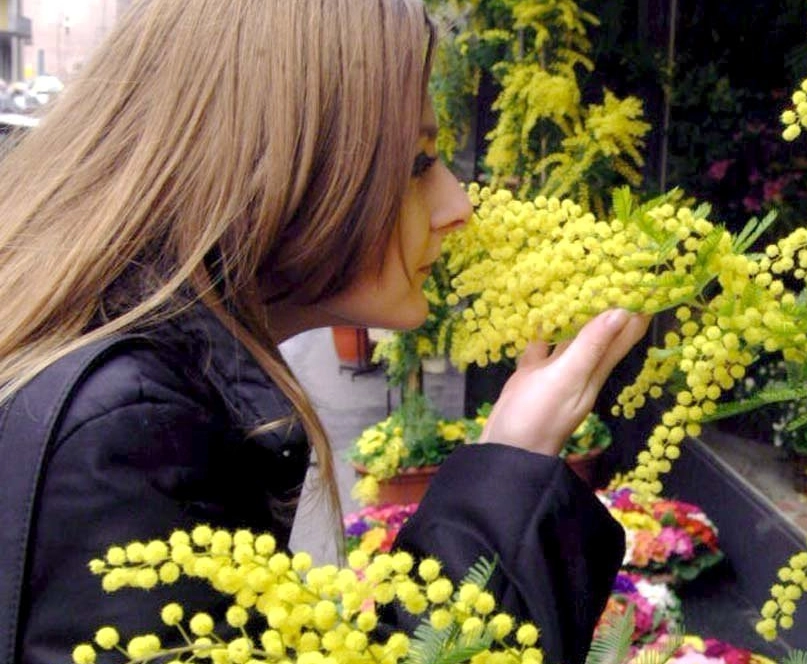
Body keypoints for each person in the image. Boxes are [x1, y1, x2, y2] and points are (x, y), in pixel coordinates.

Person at [0, 1, 649, 663]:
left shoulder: (114, 394)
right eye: (417, 165)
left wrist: (518, 444)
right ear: (279, 168)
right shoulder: (125, 437)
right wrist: (515, 465)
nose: (459, 208)